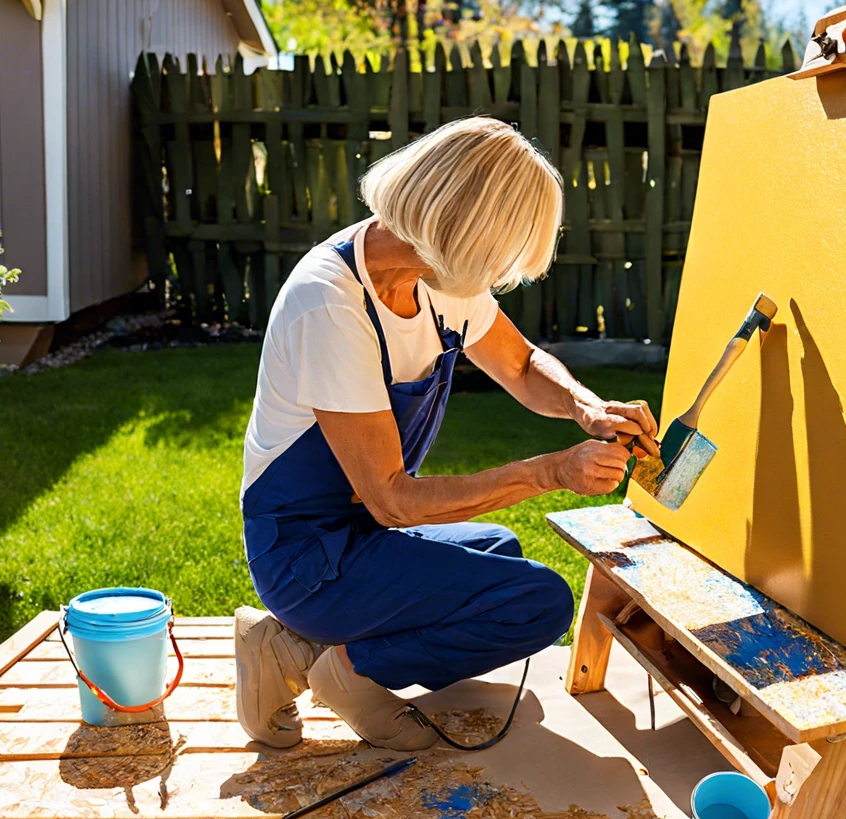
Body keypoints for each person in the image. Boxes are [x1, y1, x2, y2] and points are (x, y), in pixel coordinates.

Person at [235, 116, 658, 752]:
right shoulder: (330, 304)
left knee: (499, 550)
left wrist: (588, 407)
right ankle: (348, 672)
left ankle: (289, 648)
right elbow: (392, 500)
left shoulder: (434, 276)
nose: (503, 270)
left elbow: (521, 365)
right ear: (462, 230)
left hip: (358, 533)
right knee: (537, 602)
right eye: (503, 252)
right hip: (303, 556)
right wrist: (550, 472)